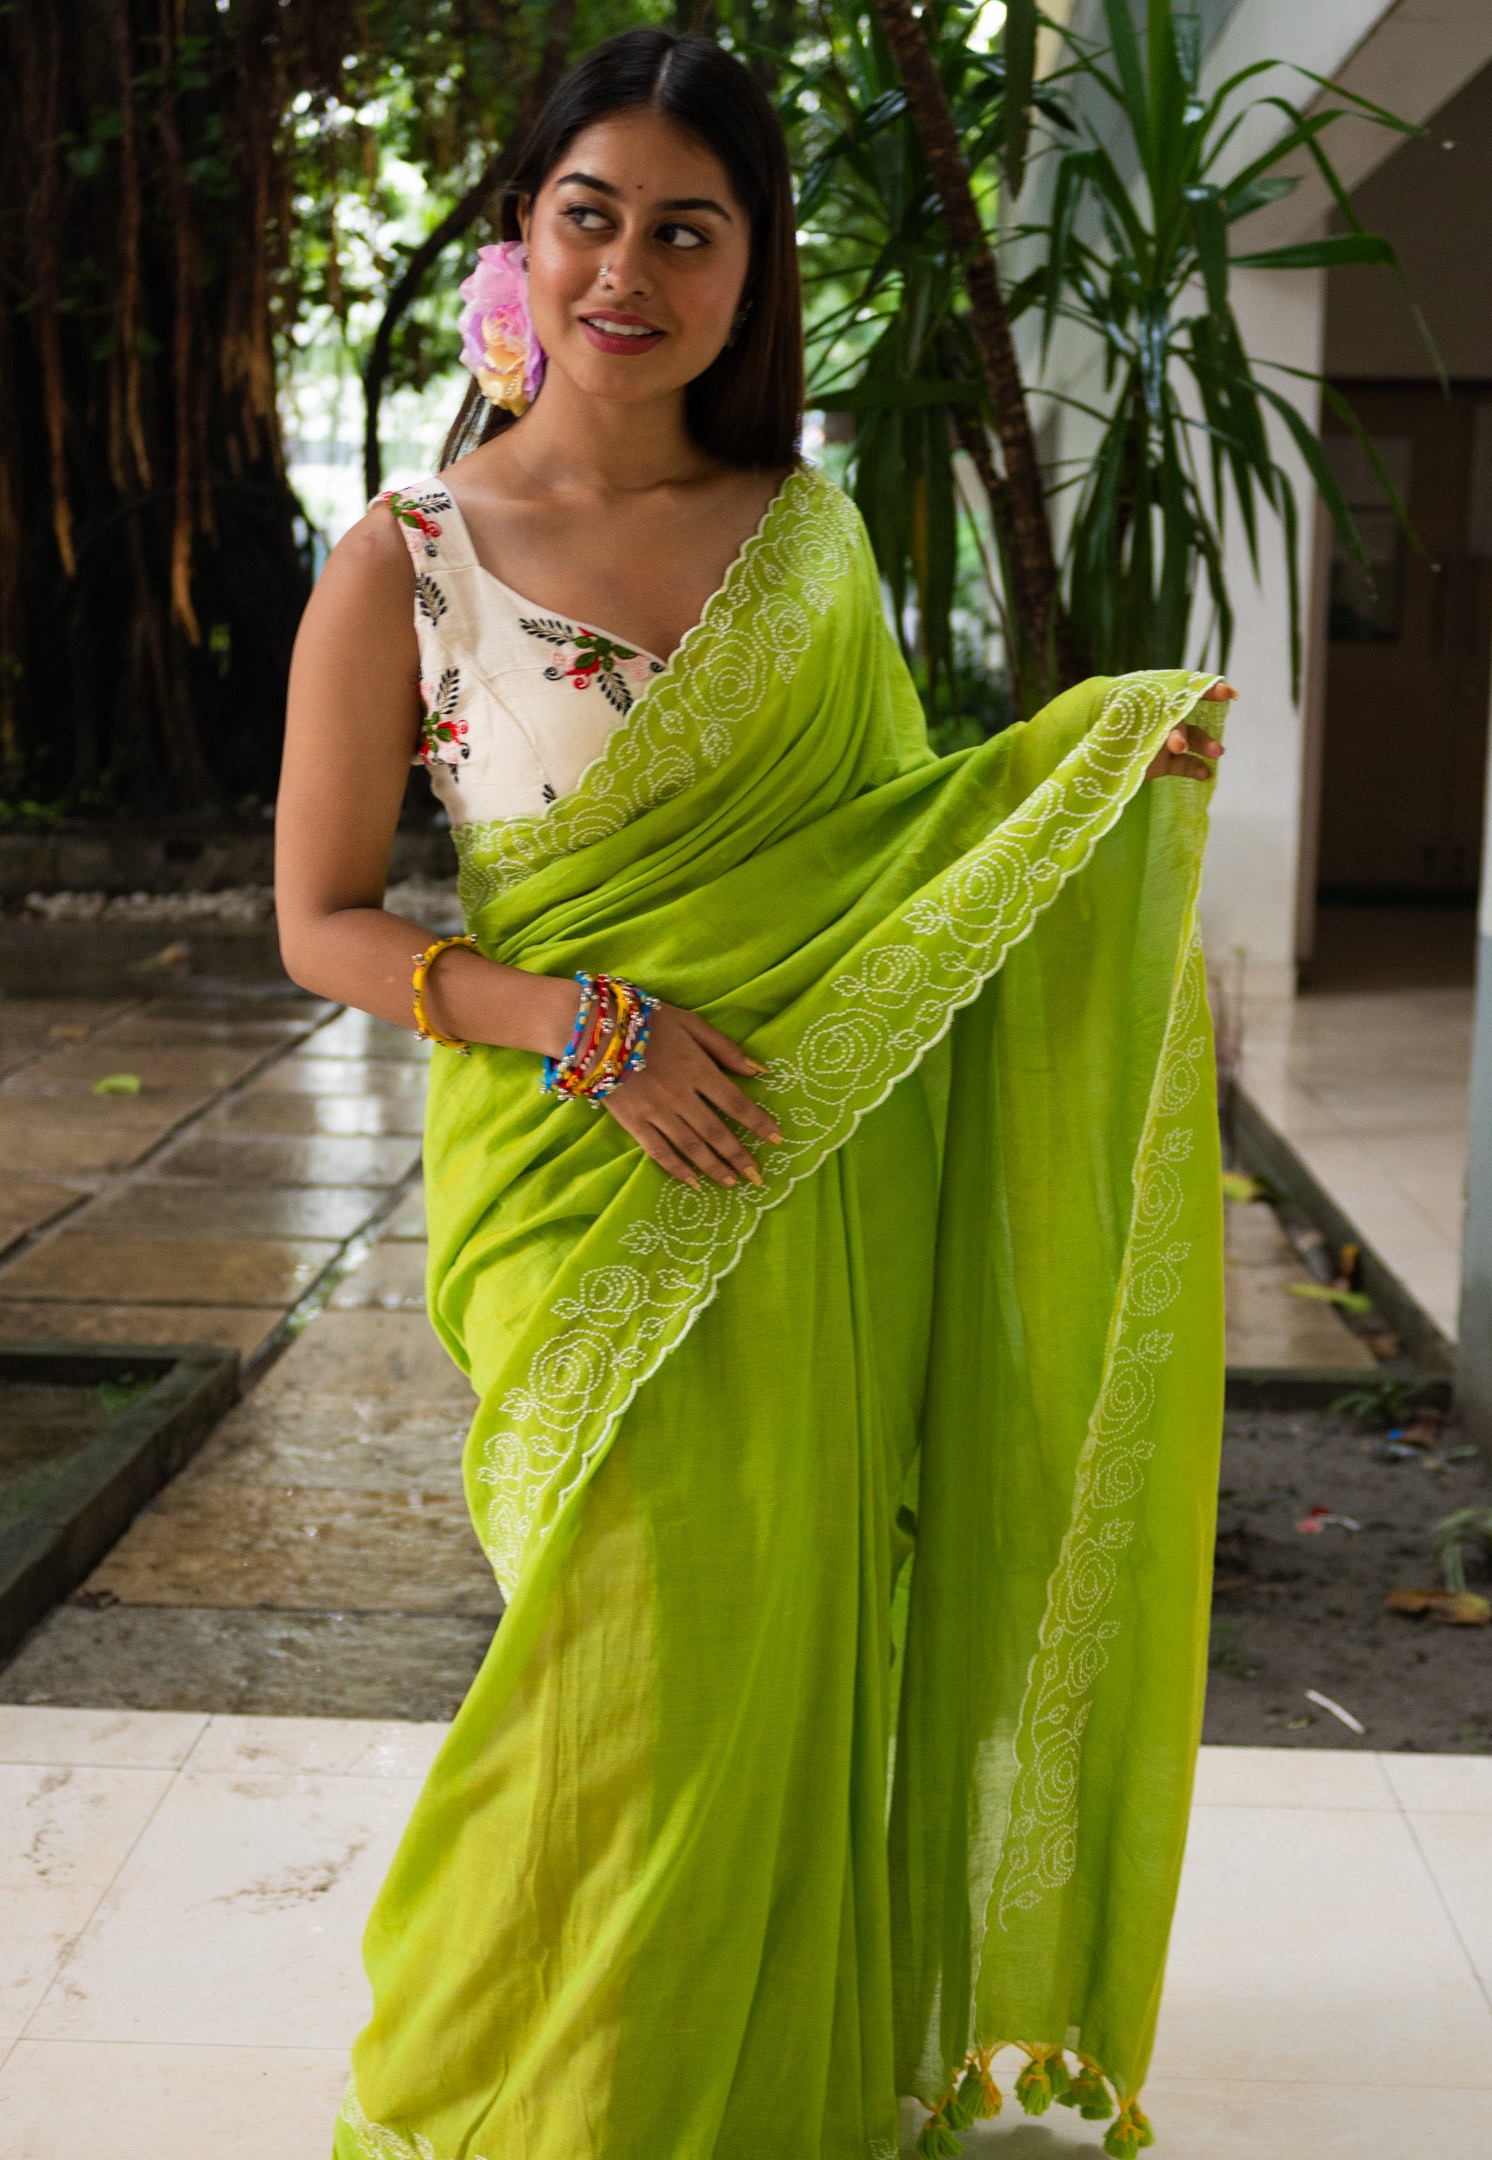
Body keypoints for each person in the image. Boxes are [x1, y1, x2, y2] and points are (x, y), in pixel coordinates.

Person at [276, 27, 1231, 2160]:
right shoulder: (406, 559)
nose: (631, 272)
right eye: (590, 217)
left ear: (750, 268)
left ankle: (735, 2087)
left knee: (773, 1638)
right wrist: (581, 1027)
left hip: (799, 1169)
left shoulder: (804, 539)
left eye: (687, 232)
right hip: (566, 1178)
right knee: (626, 1651)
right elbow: (321, 924)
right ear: (524, 238)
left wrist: (1081, 782)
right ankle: (516, 2092)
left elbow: (890, 852)